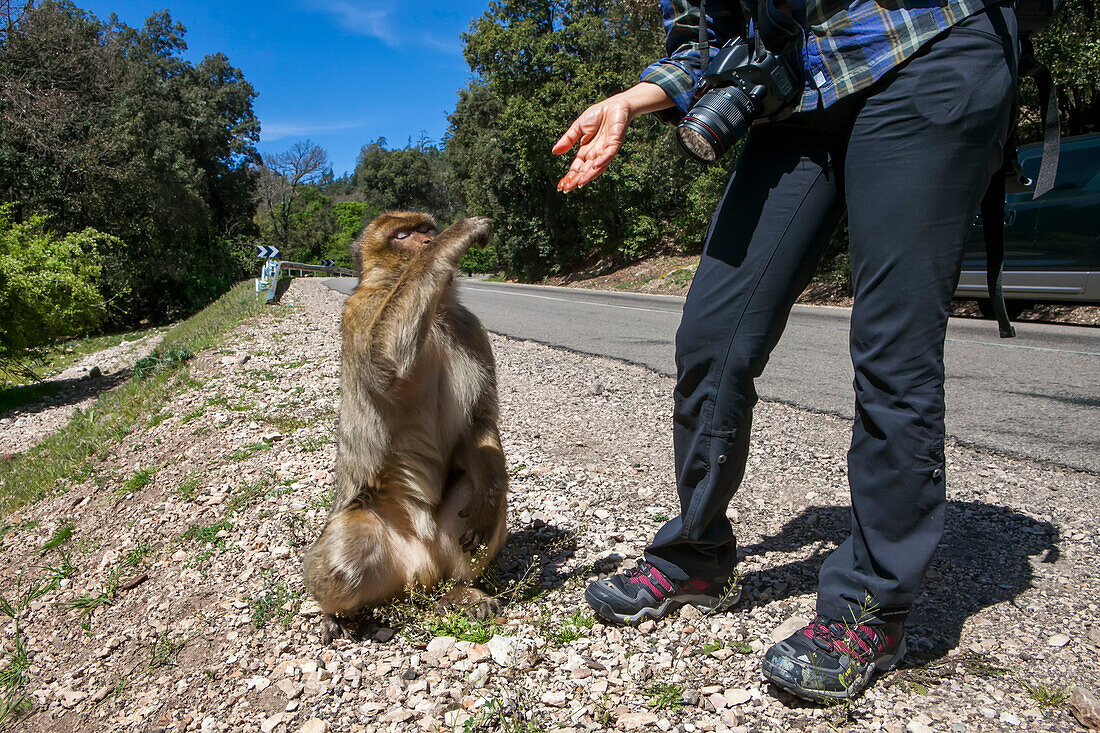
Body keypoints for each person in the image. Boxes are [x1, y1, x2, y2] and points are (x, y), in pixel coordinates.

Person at [553, 0, 1018, 703]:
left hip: (925, 49)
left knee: (893, 348)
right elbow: (701, 42)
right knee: (713, 333)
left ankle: (871, 607)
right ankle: (696, 554)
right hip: (795, 97)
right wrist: (627, 100)